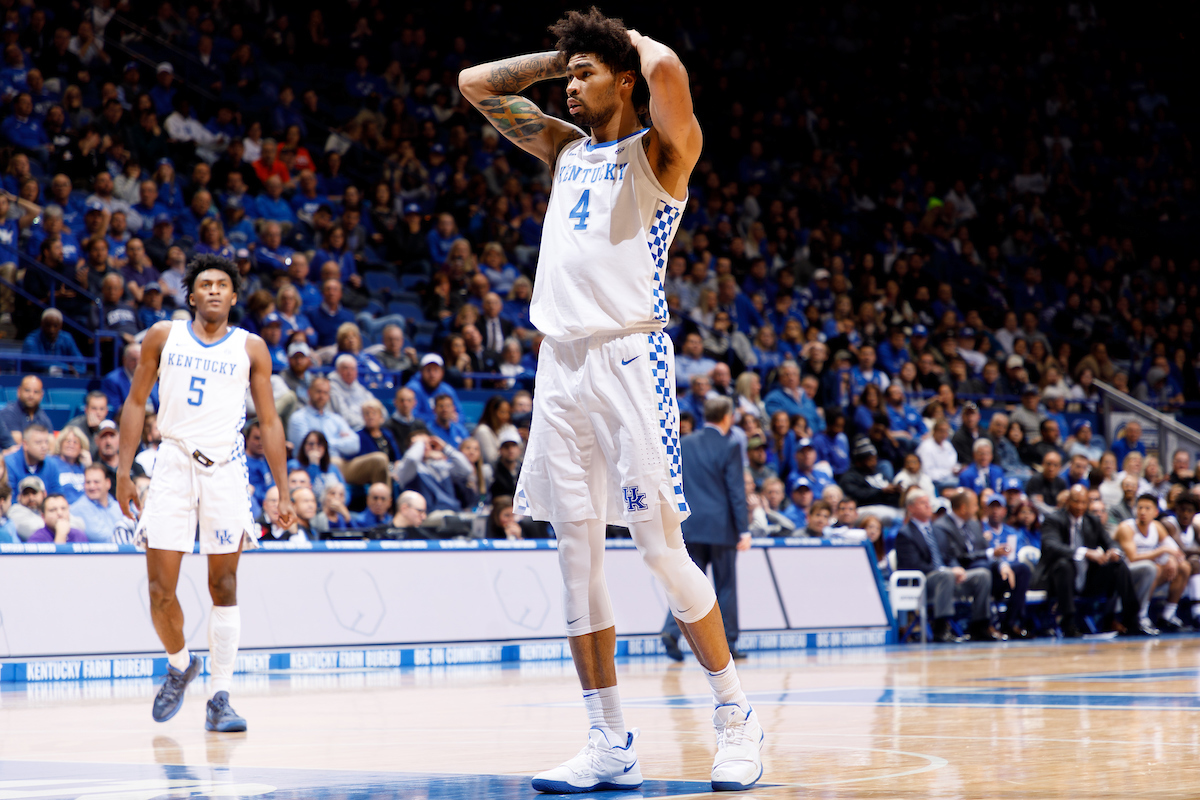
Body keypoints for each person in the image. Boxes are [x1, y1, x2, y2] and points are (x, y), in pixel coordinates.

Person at [461, 10, 761, 791]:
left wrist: (627, 40)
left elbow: (668, 78)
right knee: (574, 559)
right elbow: (475, 85)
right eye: (567, 74)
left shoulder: (663, 154)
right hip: (558, 365)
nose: (568, 85)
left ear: (623, 79)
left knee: (660, 551)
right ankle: (608, 741)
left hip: (630, 360)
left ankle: (735, 716)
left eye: (584, 74)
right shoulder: (563, 151)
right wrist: (565, 53)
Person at [116, 254, 293, 734]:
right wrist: (123, 470)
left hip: (225, 469)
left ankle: (220, 696)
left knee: (225, 586)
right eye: (204, 284)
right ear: (191, 295)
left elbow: (270, 421)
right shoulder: (161, 335)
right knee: (159, 589)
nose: (213, 290)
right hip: (171, 463)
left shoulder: (251, 347)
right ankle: (179, 663)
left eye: (222, 285)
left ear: (234, 297)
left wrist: (282, 487)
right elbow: (135, 403)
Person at [661, 397, 750, 660]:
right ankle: (728, 643)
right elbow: (736, 490)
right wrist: (743, 530)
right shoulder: (730, 445)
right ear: (728, 417)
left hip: (690, 524)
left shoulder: (684, 443)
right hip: (721, 528)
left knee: (686, 584)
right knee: (725, 586)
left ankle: (670, 631)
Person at [1034, 486, 1145, 638]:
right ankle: (1069, 623)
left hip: (1088, 579)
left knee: (1118, 565)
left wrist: (1114, 552)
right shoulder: (1053, 520)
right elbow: (1052, 546)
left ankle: (1132, 621)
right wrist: (1084, 552)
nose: (1079, 506)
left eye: (1083, 502)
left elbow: (1110, 542)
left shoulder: (1092, 520)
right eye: (1076, 502)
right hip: (1058, 581)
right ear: (1067, 501)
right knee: (1064, 565)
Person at [894, 488, 993, 643]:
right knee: (945, 575)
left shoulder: (937, 530)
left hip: (947, 579)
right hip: (924, 583)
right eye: (922, 503)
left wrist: (957, 568)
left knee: (982, 575)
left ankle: (979, 627)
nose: (928, 506)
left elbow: (949, 557)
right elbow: (913, 565)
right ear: (911, 508)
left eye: (928, 502)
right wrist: (946, 571)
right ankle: (940, 629)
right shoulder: (905, 534)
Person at [935, 489, 1028, 639]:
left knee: (1022, 570)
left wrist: (1001, 564)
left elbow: (986, 551)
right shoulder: (942, 526)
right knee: (983, 569)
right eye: (974, 505)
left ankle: (1009, 624)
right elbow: (958, 558)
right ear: (964, 508)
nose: (977, 508)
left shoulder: (973, 524)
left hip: (985, 570)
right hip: (964, 574)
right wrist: (993, 557)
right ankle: (982, 625)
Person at [1114, 495, 1191, 632]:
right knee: (1154, 567)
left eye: (1147, 508)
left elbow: (1177, 552)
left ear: (1155, 512)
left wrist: (1172, 559)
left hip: (1151, 572)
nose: (1143, 512)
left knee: (1184, 567)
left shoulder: (1157, 526)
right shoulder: (1126, 527)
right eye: (1140, 508)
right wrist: (1161, 551)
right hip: (1127, 573)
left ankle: (1168, 615)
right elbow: (1132, 558)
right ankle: (1141, 616)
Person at [68, 464, 124, 543]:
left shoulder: (118, 507)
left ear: (108, 483)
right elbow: (103, 537)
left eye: (96, 482)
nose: (92, 486)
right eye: (88, 482)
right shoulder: (79, 508)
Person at [0, 375, 52, 450]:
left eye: (36, 392)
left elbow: (51, 444)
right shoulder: (8, 413)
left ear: (41, 395)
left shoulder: (43, 417)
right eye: (27, 390)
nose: (31, 395)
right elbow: (17, 445)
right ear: (19, 391)